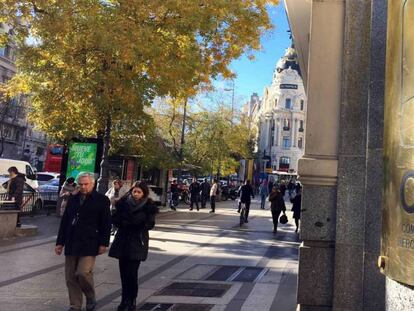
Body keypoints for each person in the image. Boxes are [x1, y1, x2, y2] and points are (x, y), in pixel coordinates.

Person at [55, 172, 111, 311]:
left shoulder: (102, 200)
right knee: (70, 277)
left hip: (90, 241)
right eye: (81, 184)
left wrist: (104, 243)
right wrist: (59, 242)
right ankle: (75, 305)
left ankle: (90, 295)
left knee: (83, 272)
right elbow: (65, 221)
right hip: (72, 240)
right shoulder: (73, 199)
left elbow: (106, 223)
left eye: (86, 184)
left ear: (93, 184)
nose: (83, 187)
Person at [109, 181, 158, 311]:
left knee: (132, 273)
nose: (136, 194)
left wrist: (140, 224)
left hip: (137, 241)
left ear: (144, 193)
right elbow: (114, 219)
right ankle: (124, 299)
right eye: (134, 191)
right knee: (123, 273)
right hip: (123, 241)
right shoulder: (123, 204)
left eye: (139, 192)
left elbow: (150, 224)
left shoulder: (148, 206)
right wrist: (122, 221)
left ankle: (131, 300)